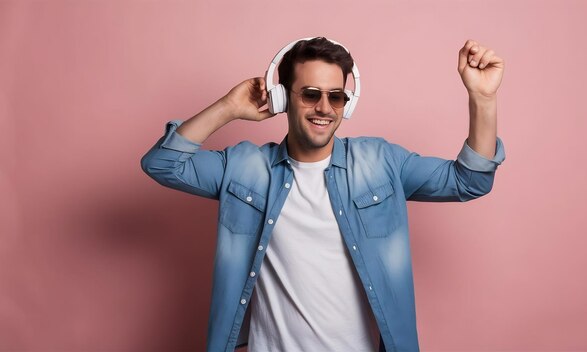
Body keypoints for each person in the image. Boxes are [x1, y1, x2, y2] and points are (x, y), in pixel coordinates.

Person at [141, 37, 506, 352]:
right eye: (311, 94)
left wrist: (483, 99)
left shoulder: (381, 163)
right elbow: (162, 164)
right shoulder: (245, 168)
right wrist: (229, 108)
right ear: (284, 97)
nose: (325, 108)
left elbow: (469, 181)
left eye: (337, 96)